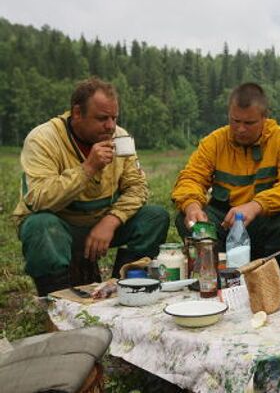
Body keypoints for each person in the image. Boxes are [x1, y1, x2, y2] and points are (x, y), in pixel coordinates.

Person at [12, 78, 170, 296]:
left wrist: (111, 220)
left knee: (155, 217)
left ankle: (121, 287)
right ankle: (57, 303)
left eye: (114, 118)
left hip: (102, 222)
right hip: (61, 225)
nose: (111, 126)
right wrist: (87, 169)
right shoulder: (43, 139)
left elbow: (137, 187)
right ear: (77, 113)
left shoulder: (120, 137)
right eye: (102, 118)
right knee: (41, 226)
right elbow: (38, 198)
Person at [171, 82, 280, 277]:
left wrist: (255, 205)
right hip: (226, 223)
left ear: (264, 118)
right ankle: (212, 274)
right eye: (235, 121)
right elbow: (191, 177)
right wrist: (191, 205)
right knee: (188, 221)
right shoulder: (215, 141)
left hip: (264, 221)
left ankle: (277, 277)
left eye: (249, 123)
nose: (240, 129)